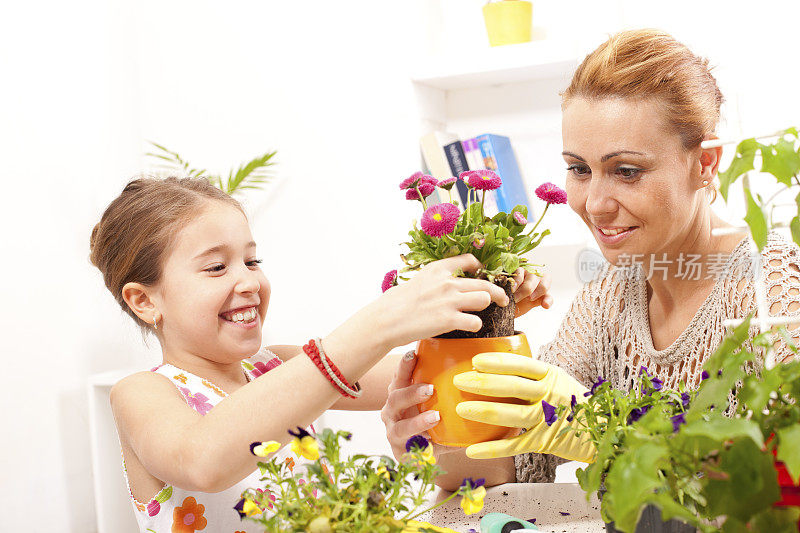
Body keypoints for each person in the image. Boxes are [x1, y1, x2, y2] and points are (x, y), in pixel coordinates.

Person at [380, 28, 800, 490]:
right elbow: (518, 461)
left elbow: (776, 495)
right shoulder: (609, 298)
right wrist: (428, 445)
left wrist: (603, 433)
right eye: (580, 169)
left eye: (626, 171)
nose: (595, 203)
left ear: (705, 164)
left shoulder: (773, 289)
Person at [89, 176, 521, 532]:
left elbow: (429, 378)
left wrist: (493, 311)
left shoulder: (273, 366)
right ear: (145, 301)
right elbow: (203, 461)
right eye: (217, 267)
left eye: (252, 261)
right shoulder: (142, 392)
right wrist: (380, 323)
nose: (248, 282)